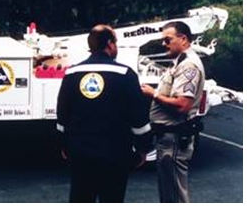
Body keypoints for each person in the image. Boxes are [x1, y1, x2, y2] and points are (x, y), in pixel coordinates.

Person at [56, 24, 152, 203]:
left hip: (80, 153)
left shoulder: (71, 74)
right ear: (109, 44)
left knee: (81, 198)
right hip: (115, 153)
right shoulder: (126, 74)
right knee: (112, 198)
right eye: (115, 42)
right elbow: (138, 118)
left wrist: (64, 144)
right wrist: (143, 148)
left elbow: (62, 114)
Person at [141, 21, 205, 203]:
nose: (164, 44)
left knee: (175, 194)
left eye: (168, 40)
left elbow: (182, 104)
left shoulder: (189, 65)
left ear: (183, 39)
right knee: (169, 193)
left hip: (174, 137)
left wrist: (153, 94)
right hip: (168, 137)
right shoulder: (180, 62)